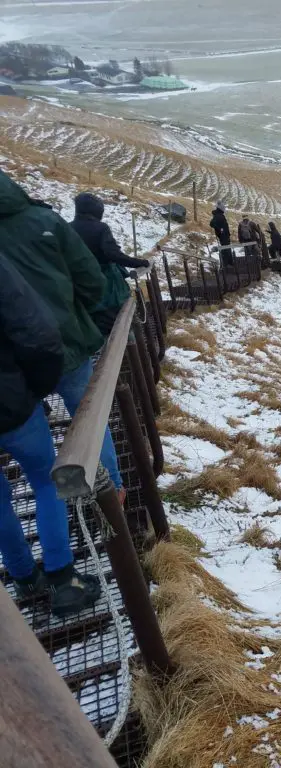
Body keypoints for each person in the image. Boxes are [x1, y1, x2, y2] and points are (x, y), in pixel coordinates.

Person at [0, 170, 127, 614]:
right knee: (86, 423)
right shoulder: (40, 221)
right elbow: (87, 282)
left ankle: (21, 574)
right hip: (43, 361)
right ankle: (109, 509)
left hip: (14, 376)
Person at [70, 192, 150, 336]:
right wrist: (140, 262)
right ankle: (126, 346)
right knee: (116, 314)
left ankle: (94, 346)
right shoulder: (100, 228)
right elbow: (113, 254)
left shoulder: (68, 228)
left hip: (77, 281)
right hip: (104, 280)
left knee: (88, 315)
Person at [210, 202, 232, 266]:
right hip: (224, 235)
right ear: (221, 209)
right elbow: (212, 224)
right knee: (226, 249)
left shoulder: (217, 215)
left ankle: (227, 263)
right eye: (224, 208)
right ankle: (228, 263)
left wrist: (218, 229)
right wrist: (220, 230)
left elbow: (212, 224)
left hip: (223, 235)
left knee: (225, 248)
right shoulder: (219, 216)